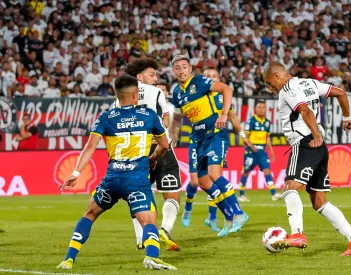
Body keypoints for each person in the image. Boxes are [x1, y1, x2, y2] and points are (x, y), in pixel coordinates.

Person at [56, 75, 176, 270]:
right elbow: (164, 145)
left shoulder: (106, 117)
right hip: (136, 180)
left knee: (90, 214)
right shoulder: (149, 115)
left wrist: (76, 173)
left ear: (117, 95)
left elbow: (89, 147)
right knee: (149, 220)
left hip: (112, 180)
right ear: (136, 95)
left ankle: (68, 259)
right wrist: (152, 159)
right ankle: (151, 257)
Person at [262, 62, 351, 256]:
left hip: (305, 143)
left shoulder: (287, 88)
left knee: (289, 187)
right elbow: (341, 92)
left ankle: (297, 234)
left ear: (277, 75)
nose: (270, 88)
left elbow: (305, 110)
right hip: (319, 147)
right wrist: (346, 117)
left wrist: (315, 134)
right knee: (319, 202)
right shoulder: (309, 83)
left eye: (269, 83)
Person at [171, 55, 248, 237]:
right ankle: (228, 217)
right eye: (177, 68)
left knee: (214, 174)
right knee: (204, 182)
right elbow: (176, 119)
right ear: (173, 71)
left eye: (184, 67)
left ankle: (239, 213)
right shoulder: (176, 93)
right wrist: (172, 138)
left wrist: (223, 115)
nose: (181, 71)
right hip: (198, 138)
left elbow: (227, 89)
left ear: (190, 69)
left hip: (215, 134)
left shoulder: (200, 82)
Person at [122, 58, 181, 252]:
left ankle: (141, 238)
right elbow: (165, 115)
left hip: (134, 150)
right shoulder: (155, 92)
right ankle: (164, 229)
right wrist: (162, 130)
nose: (156, 78)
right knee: (172, 192)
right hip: (159, 146)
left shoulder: (121, 94)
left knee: (138, 194)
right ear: (139, 76)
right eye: (151, 74)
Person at [238, 99, 282, 202]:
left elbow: (267, 138)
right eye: (259, 107)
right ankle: (241, 195)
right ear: (255, 109)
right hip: (251, 151)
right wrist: (250, 147)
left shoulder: (267, 122)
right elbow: (246, 136)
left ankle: (274, 194)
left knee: (267, 170)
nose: (262, 110)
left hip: (262, 151)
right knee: (246, 172)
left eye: (263, 108)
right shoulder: (251, 121)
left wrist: (271, 150)